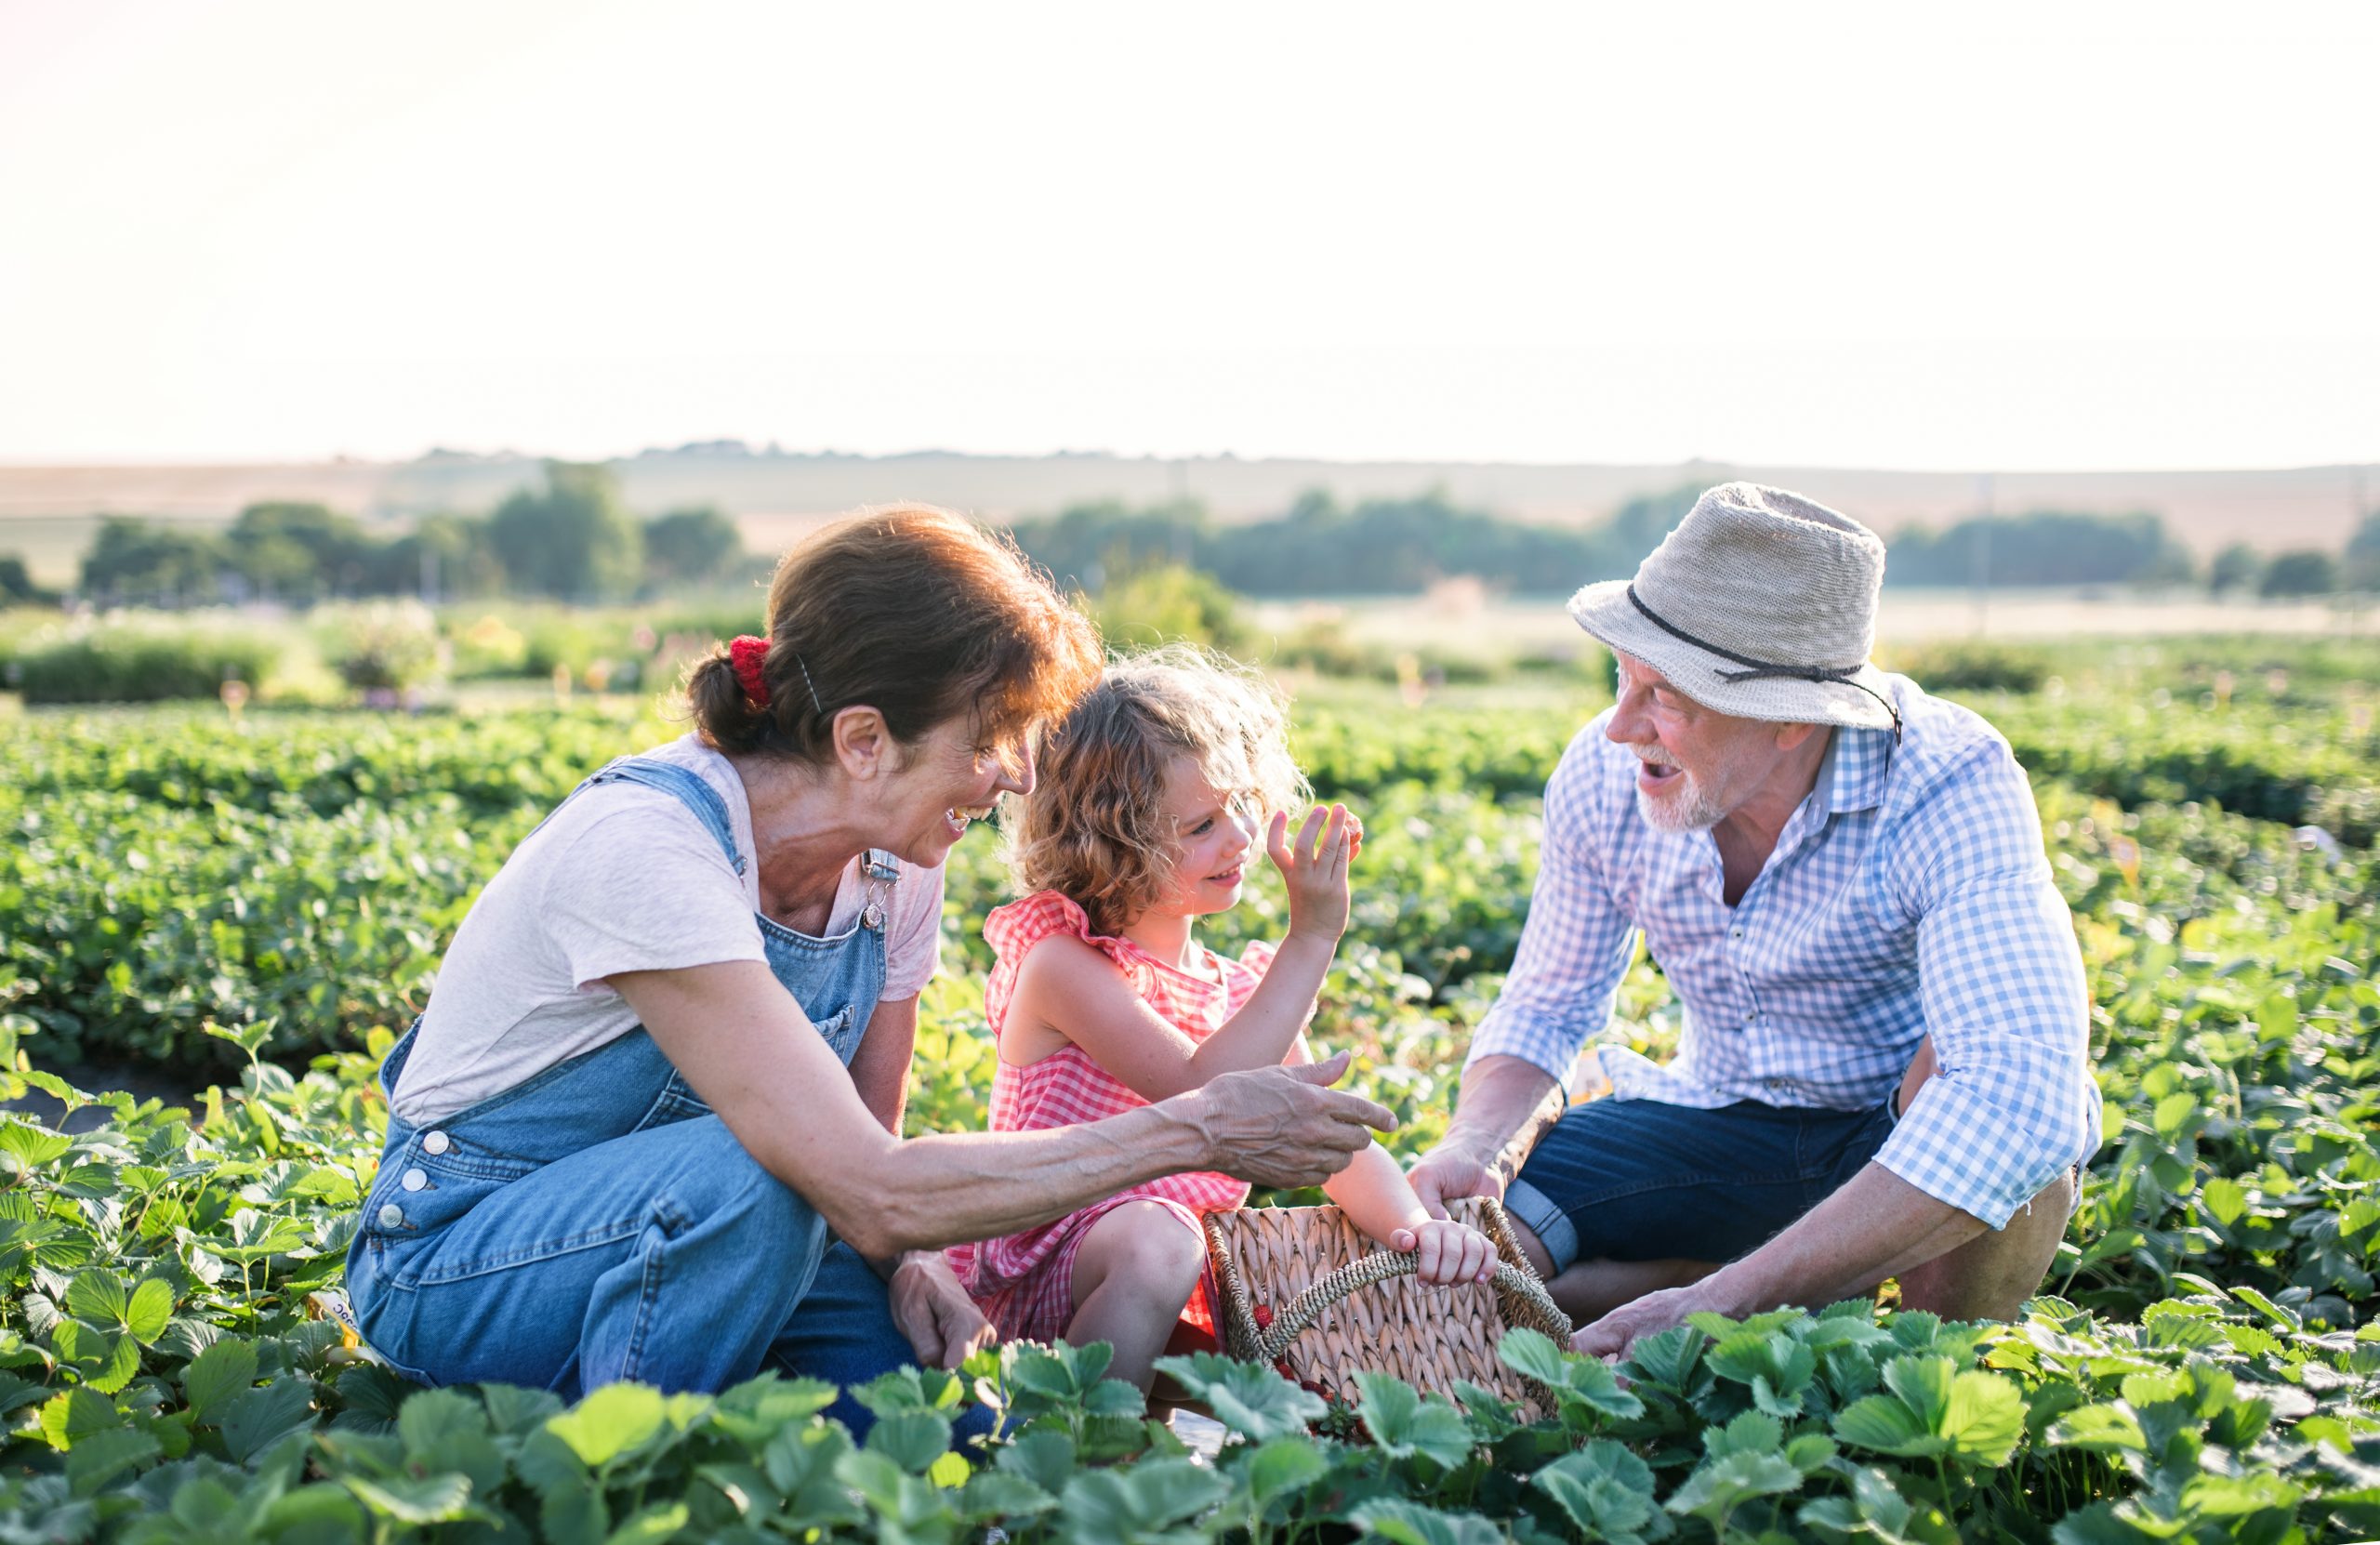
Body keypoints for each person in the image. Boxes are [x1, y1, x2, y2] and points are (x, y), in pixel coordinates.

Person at [341, 508, 1398, 1427]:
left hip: (743, 1239)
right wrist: (1202, 1126)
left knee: (940, 1448)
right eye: (989, 737)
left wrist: (918, 1267)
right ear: (860, 739)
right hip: (467, 1259)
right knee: (757, 1168)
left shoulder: (896, 862)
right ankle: (631, 1472)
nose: (1015, 775)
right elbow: (862, 1183)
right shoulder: (648, 849)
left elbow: (869, 1141)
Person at [1404, 483, 2098, 1357]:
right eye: (1625, 675)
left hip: (1895, 1146)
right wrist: (1478, 1142)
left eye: (1666, 695)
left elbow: (2018, 1097)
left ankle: (1907, 1375)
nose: (1621, 726)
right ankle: (1772, 1292)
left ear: (1790, 718)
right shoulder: (1603, 773)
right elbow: (1548, 1006)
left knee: (1990, 1113)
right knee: (1486, 1236)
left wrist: (1722, 1304)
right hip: (1719, 1124)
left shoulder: (1947, 781)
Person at [946, 649, 1499, 1391]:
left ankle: (1147, 1442)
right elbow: (1198, 1087)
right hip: (1047, 1275)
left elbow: (1327, 1136)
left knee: (1269, 1331)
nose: (1240, 837)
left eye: (1239, 805)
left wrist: (1414, 1225)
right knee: (1161, 1241)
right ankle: (1070, 1450)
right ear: (1111, 844)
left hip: (1175, 1279)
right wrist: (1312, 937)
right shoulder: (1064, 963)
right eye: (1202, 824)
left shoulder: (1234, 991)